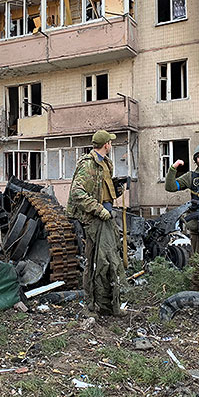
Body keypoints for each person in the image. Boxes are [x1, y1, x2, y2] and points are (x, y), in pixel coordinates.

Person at [67, 130, 125, 317]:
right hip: (93, 220)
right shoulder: (88, 165)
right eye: (110, 142)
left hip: (106, 218)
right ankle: (91, 306)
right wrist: (99, 210)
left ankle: (109, 305)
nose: (111, 145)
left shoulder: (106, 163)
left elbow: (103, 190)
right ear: (106, 144)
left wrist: (117, 190)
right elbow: (77, 193)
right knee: (93, 262)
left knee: (109, 261)